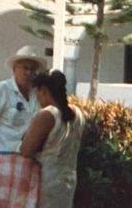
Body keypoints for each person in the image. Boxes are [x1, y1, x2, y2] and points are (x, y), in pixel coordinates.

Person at [19, 70, 85, 208]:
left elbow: (25, 151)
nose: (37, 98)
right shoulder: (78, 114)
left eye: (37, 93)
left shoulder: (47, 115)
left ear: (42, 90)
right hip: (67, 183)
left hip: (45, 184)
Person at [0, 45, 45, 160]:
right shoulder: (2, 90)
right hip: (3, 161)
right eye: (25, 68)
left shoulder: (37, 94)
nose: (28, 73)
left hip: (30, 162)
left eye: (32, 69)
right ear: (15, 69)